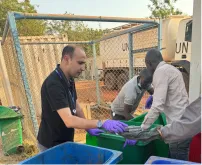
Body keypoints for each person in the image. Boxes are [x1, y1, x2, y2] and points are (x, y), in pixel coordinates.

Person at [37, 45, 129, 152]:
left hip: (65, 141)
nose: (83, 68)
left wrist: (88, 127)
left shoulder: (69, 79)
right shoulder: (54, 84)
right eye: (80, 63)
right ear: (67, 59)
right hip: (51, 145)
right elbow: (69, 120)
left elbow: (77, 108)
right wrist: (101, 123)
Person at [141, 49, 191, 161]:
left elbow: (157, 106)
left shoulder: (160, 72)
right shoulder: (172, 70)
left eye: (147, 66)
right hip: (186, 122)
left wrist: (142, 128)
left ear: (148, 63)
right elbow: (172, 95)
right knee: (174, 157)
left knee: (178, 159)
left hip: (178, 127)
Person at [121, 96, 201, 144]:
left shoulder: (162, 73)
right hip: (178, 123)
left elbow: (191, 122)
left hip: (177, 126)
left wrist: (155, 131)